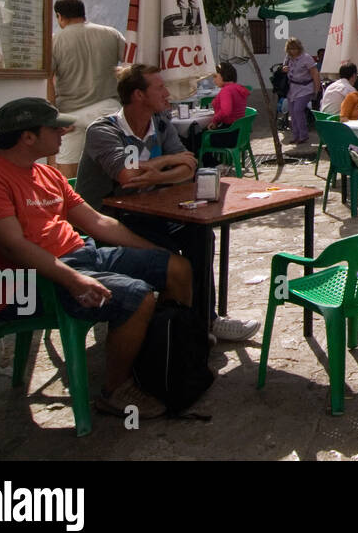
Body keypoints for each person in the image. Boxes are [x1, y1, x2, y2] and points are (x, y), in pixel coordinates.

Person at [0, 98, 194, 418]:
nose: (64, 132)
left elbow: (97, 223)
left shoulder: (46, 174)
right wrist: (74, 279)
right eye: (55, 128)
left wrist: (153, 250)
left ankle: (165, 363)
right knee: (137, 296)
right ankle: (115, 390)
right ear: (28, 137)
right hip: (29, 283)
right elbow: (14, 248)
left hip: (81, 255)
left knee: (177, 267)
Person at [76, 64, 259, 343]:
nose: (167, 92)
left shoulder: (160, 122)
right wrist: (163, 164)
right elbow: (128, 176)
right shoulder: (104, 131)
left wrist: (155, 167)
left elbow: (188, 166)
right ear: (138, 95)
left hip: (150, 210)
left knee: (200, 234)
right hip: (109, 219)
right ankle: (177, 324)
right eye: (159, 87)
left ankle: (204, 320)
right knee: (171, 248)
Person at [48, 0, 126, 179]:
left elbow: (47, 80)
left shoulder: (55, 41)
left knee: (69, 174)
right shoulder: (111, 34)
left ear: (59, 16)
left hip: (70, 116)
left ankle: (73, 206)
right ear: (83, 13)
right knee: (114, 165)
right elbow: (131, 65)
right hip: (108, 109)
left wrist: (53, 116)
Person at [282, 38, 321, 145]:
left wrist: (316, 90)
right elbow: (284, 67)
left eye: (294, 48)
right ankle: (296, 135)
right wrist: (284, 68)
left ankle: (303, 135)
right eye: (290, 49)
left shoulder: (306, 58)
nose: (293, 51)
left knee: (298, 110)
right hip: (292, 88)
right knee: (292, 112)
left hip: (305, 88)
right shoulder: (288, 58)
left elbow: (315, 74)